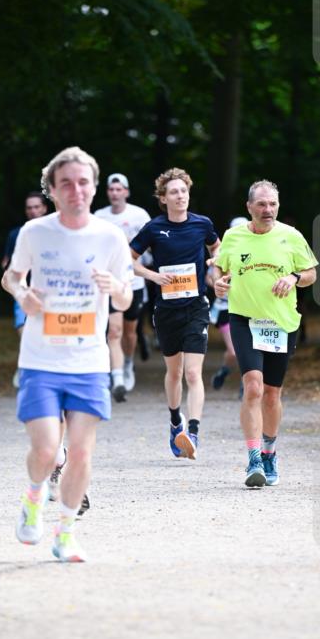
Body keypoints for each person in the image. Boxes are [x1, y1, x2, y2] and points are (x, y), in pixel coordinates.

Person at [1, 146, 133, 563]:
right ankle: (34, 498)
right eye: (66, 184)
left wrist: (115, 288)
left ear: (94, 187)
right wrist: (24, 295)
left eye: (82, 182)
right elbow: (11, 276)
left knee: (79, 453)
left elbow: (127, 298)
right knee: (46, 450)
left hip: (88, 361)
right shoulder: (35, 233)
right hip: (41, 358)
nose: (75, 190)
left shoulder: (111, 237)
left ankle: (65, 533)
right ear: (53, 191)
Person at [212, 180, 317, 488]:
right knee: (253, 387)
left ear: (278, 206)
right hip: (244, 319)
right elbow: (218, 269)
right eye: (261, 204)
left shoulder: (291, 237)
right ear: (249, 207)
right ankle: (254, 457)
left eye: (272, 204)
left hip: (281, 323)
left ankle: (270, 451)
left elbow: (311, 274)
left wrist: (294, 277)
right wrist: (218, 282)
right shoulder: (233, 236)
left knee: (272, 394)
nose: (267, 210)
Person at [130, 168, 219, 460]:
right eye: (174, 192)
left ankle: (192, 432)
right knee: (175, 371)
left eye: (183, 190)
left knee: (193, 372)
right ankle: (174, 422)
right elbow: (130, 261)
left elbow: (217, 251)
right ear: (163, 198)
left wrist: (214, 272)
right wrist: (153, 277)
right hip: (166, 308)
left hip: (196, 306)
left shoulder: (202, 224)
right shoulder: (154, 228)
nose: (180, 196)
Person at [94, 173, 150, 400]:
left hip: (134, 282)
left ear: (126, 192)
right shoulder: (99, 216)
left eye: (119, 190)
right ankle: (116, 377)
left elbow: (150, 247)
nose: (115, 193)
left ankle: (127, 362)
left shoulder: (139, 215)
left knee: (129, 332)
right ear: (107, 192)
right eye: (111, 190)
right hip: (109, 282)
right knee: (113, 330)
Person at [2, 192, 49, 388]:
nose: (33, 211)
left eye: (37, 207)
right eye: (29, 208)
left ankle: (43, 372)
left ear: (45, 208)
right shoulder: (16, 234)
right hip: (23, 292)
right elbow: (6, 263)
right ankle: (25, 368)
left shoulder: (55, 232)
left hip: (49, 295)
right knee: (25, 333)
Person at [208, 216, 248, 391]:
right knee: (233, 352)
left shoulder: (257, 250)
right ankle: (225, 370)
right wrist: (220, 283)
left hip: (251, 307)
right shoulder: (224, 251)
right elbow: (210, 277)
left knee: (250, 349)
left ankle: (246, 384)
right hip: (226, 308)